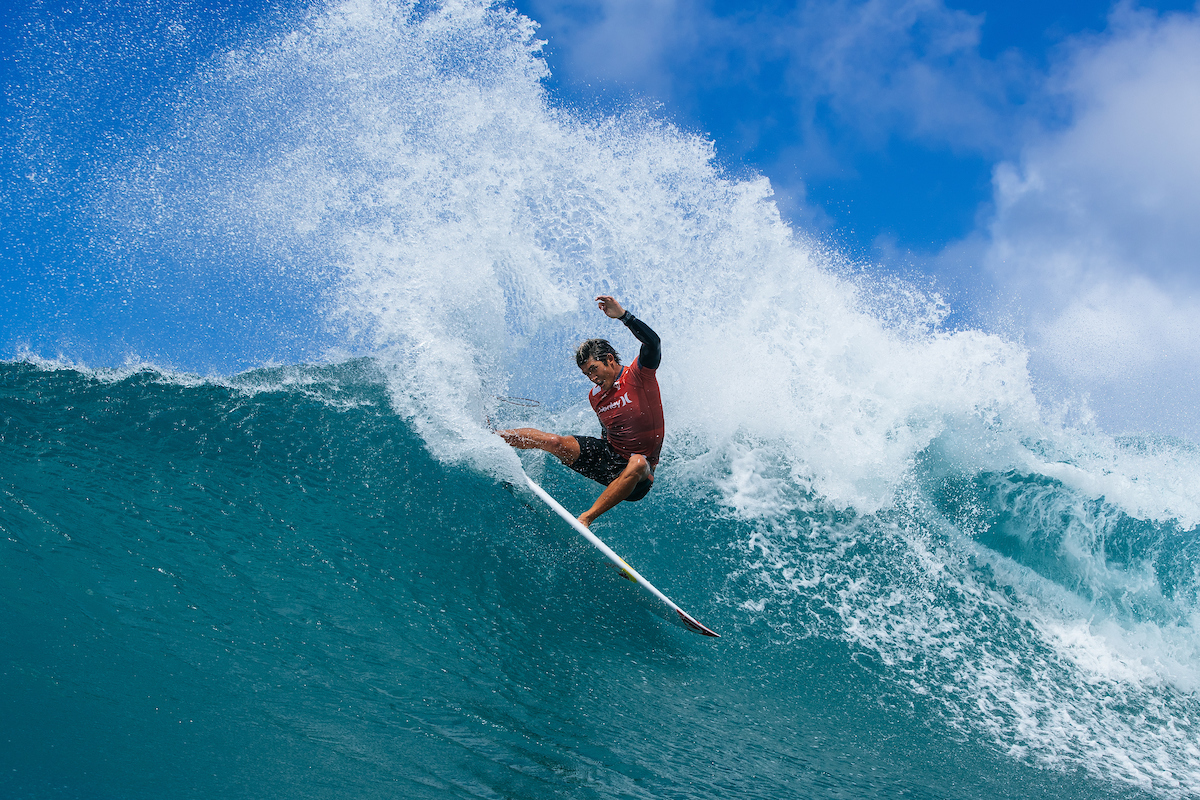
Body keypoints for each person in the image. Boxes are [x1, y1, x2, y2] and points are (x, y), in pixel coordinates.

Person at [497, 295, 664, 527]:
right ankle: (494, 437)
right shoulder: (595, 397)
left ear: (609, 359)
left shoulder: (639, 375)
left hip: (639, 477)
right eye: (587, 374)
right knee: (555, 442)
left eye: (594, 369)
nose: (592, 378)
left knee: (637, 463)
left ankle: (586, 518)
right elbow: (608, 431)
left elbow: (653, 343)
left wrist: (624, 316)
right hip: (609, 460)